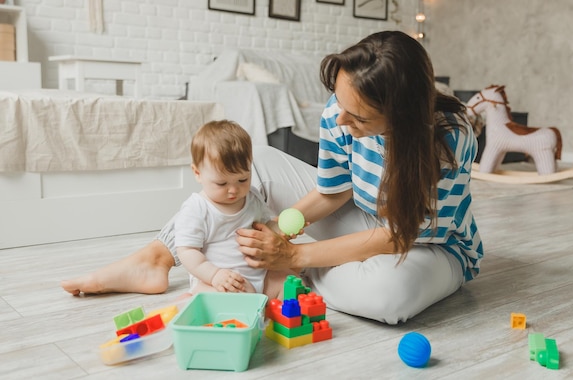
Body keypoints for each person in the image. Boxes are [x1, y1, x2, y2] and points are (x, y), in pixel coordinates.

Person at [62, 31, 483, 324]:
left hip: (430, 246)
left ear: (402, 115)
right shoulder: (339, 112)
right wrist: (280, 231)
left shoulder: (448, 140)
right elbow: (331, 192)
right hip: (362, 217)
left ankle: (284, 277)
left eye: (358, 116)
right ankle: (157, 257)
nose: (339, 118)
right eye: (339, 103)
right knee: (255, 160)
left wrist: (293, 257)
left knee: (390, 299)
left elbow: (396, 237)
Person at [174, 120, 280, 294]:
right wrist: (214, 275)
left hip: (260, 274)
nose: (233, 190)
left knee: (292, 283)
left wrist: (281, 230)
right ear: (197, 173)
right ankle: (192, 300)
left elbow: (265, 228)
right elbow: (186, 251)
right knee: (230, 299)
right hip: (217, 282)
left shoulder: (253, 197)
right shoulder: (197, 209)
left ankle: (271, 311)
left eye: (243, 179)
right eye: (221, 183)